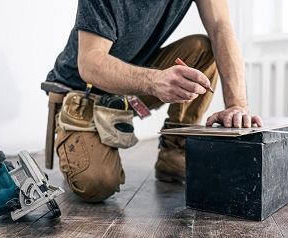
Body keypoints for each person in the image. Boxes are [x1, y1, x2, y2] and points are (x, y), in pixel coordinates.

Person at [45, 0, 263, 202]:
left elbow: (220, 27)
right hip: (83, 93)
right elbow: (89, 63)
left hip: (130, 83)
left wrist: (237, 104)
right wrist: (154, 81)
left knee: (202, 49)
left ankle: (174, 153)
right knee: (98, 184)